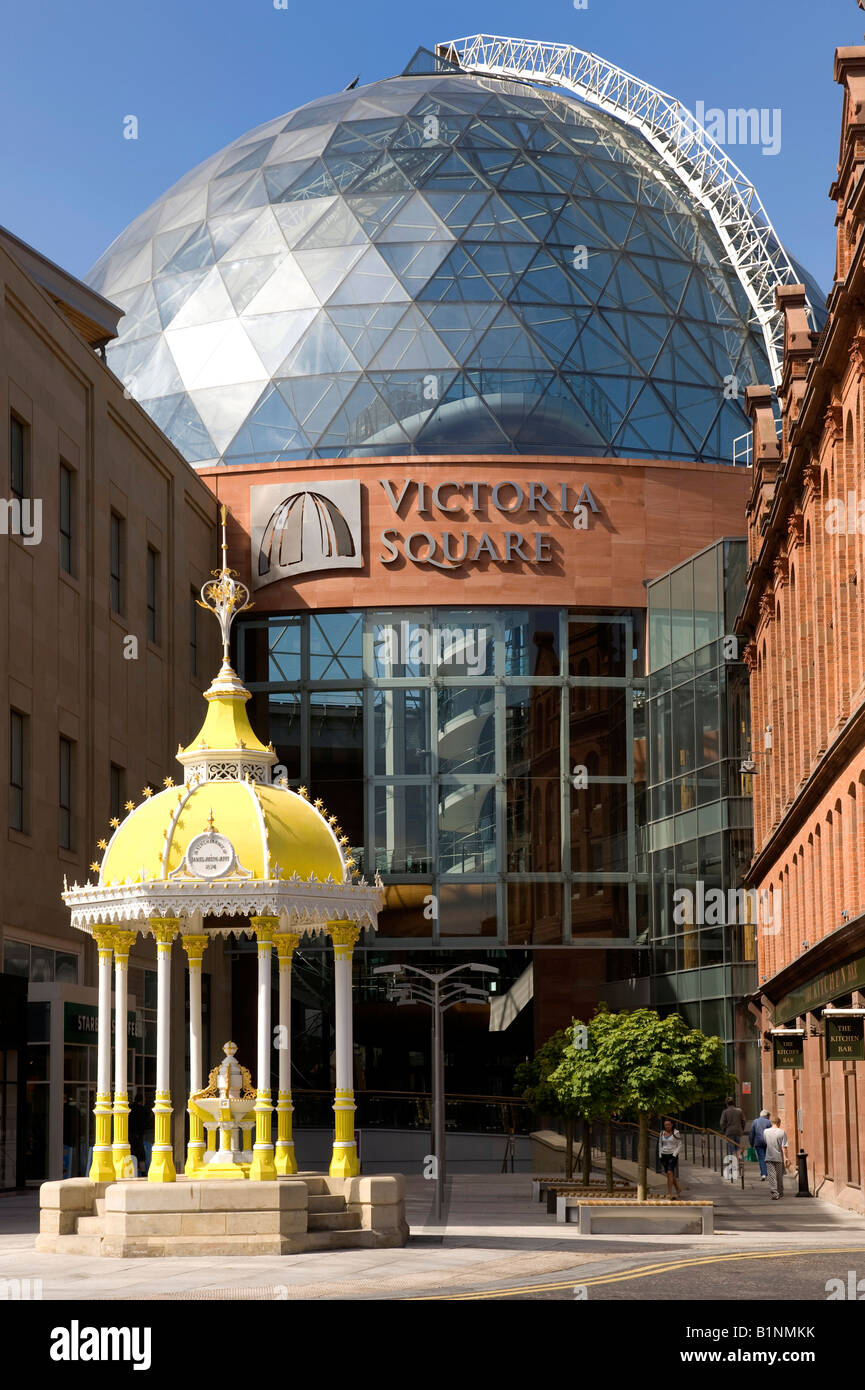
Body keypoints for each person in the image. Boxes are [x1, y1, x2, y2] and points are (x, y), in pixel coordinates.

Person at [763, 1116, 790, 1199]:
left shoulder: (766, 1132)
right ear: (779, 1123)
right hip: (778, 1157)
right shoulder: (782, 1132)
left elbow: (765, 1142)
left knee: (771, 1176)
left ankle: (775, 1193)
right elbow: (784, 1147)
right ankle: (780, 1192)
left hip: (769, 1157)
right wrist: (786, 1158)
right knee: (779, 1176)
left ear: (772, 1123)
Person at [658, 1118, 683, 1200]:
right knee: (669, 1174)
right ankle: (678, 1189)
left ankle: (669, 1193)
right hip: (664, 1155)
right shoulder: (662, 1133)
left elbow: (680, 1144)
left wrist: (675, 1154)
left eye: (668, 1125)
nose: (667, 1126)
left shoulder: (676, 1133)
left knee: (669, 1172)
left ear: (672, 1125)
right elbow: (660, 1144)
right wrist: (660, 1154)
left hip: (672, 1155)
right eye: (665, 1125)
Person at [749, 1109, 772, 1182]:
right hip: (767, 1142)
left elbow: (752, 1133)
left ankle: (764, 1174)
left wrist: (751, 1143)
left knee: (761, 1158)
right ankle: (769, 1173)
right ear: (767, 1115)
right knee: (768, 1158)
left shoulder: (755, 1121)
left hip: (758, 1142)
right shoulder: (769, 1122)